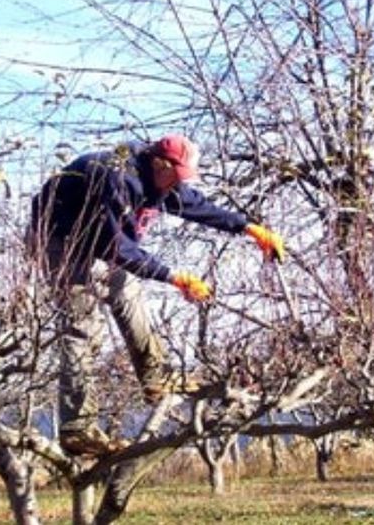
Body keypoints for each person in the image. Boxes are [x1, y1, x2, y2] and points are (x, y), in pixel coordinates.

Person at [27, 134, 285, 456]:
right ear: (159, 164)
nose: (177, 186)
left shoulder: (160, 182)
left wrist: (247, 228)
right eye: (175, 177)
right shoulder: (114, 177)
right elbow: (117, 247)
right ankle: (77, 429)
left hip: (97, 240)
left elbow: (196, 206)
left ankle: (156, 378)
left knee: (129, 295)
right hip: (58, 240)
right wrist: (174, 277)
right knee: (83, 325)